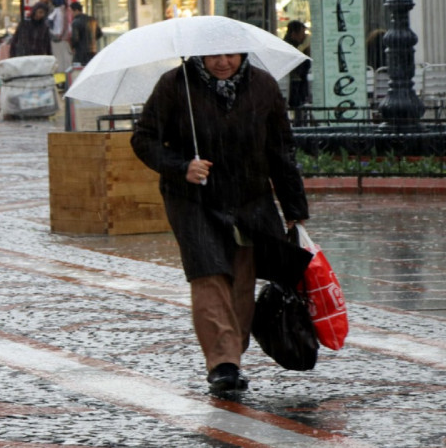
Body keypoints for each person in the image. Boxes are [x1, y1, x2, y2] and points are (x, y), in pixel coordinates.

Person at [130, 54, 309, 394]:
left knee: (242, 278)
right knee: (208, 273)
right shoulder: (175, 84)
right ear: (200, 54)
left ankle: (232, 352)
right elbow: (144, 138)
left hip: (248, 198)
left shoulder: (263, 85)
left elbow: (281, 151)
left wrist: (294, 209)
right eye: (215, 55)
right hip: (193, 199)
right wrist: (182, 165)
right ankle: (223, 364)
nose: (224, 62)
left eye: (232, 54)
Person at [283, 20, 312, 118]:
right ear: (294, 34)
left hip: (300, 80)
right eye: (302, 33)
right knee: (296, 106)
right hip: (293, 82)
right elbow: (293, 59)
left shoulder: (301, 45)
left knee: (301, 106)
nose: (303, 36)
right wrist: (303, 46)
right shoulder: (288, 45)